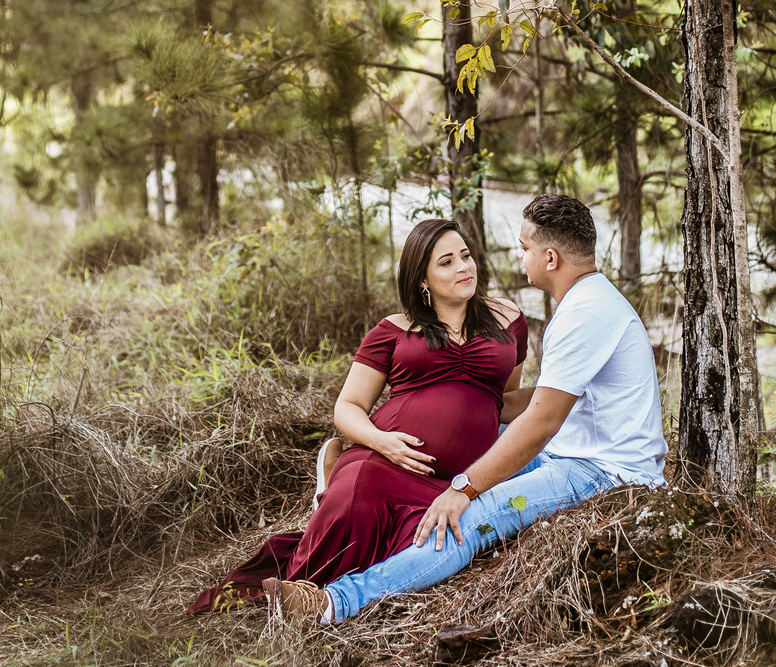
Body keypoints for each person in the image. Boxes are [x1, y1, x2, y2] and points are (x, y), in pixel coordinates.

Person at [265, 191, 667, 626]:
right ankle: (345, 485)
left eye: (525, 248)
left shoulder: (583, 314)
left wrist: (462, 489)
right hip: (574, 451)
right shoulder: (590, 302)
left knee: (464, 521)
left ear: (550, 258)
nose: (521, 257)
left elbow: (540, 423)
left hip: (600, 472)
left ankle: (332, 604)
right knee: (470, 447)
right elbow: (530, 403)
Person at [186, 217, 530, 616]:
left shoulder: (508, 320)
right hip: (381, 462)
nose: (464, 268)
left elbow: (501, 401)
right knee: (352, 516)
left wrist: (571, 392)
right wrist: (383, 442)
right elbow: (347, 408)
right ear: (423, 279)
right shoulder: (394, 330)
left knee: (428, 548)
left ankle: (330, 508)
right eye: (447, 262)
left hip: (450, 484)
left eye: (466, 256)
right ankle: (306, 581)